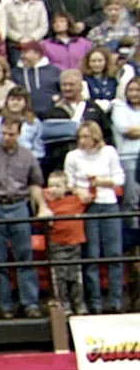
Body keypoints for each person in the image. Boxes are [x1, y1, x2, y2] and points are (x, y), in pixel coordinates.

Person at [0, 116, 52, 319]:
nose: (6, 137)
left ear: (19, 133)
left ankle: (30, 303)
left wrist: (42, 205)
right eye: (3, 133)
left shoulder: (27, 155)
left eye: (11, 134)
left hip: (19, 206)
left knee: (25, 256)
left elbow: (35, 183)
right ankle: (5, 306)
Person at [64, 121, 125, 314]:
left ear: (95, 137)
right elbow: (68, 183)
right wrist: (79, 192)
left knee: (114, 254)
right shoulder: (72, 156)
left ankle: (116, 301)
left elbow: (120, 178)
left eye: (86, 137)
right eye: (80, 137)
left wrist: (103, 181)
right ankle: (95, 303)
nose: (82, 141)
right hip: (87, 207)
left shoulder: (109, 152)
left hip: (109, 205)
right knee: (91, 255)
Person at [43, 170, 87, 316]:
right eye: (51, 186)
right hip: (57, 244)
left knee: (75, 276)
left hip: (74, 244)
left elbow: (90, 195)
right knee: (59, 277)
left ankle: (79, 304)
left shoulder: (75, 200)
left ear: (66, 187)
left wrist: (76, 190)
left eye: (58, 186)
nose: (54, 189)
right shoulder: (46, 206)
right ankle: (64, 305)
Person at [0, 87, 45, 161]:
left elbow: (39, 150)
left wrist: (29, 158)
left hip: (27, 160)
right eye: (12, 99)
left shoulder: (35, 123)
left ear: (26, 103)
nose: (15, 103)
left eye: (19, 100)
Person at [111, 76, 140, 223]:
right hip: (128, 158)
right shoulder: (119, 108)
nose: (134, 94)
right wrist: (132, 131)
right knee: (131, 200)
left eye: (138, 90)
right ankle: (131, 233)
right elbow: (126, 130)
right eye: (131, 90)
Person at [5, 0, 49, 67]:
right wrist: (19, 38)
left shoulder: (40, 5)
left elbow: (44, 26)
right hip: (16, 46)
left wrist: (32, 38)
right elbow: (7, 27)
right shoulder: (9, 7)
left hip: (36, 45)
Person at [10, 41, 60, 116]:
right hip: (24, 115)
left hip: (51, 114)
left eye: (25, 52)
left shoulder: (54, 71)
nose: (22, 55)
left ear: (37, 54)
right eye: (21, 52)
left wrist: (58, 98)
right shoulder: (15, 73)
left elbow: (63, 90)